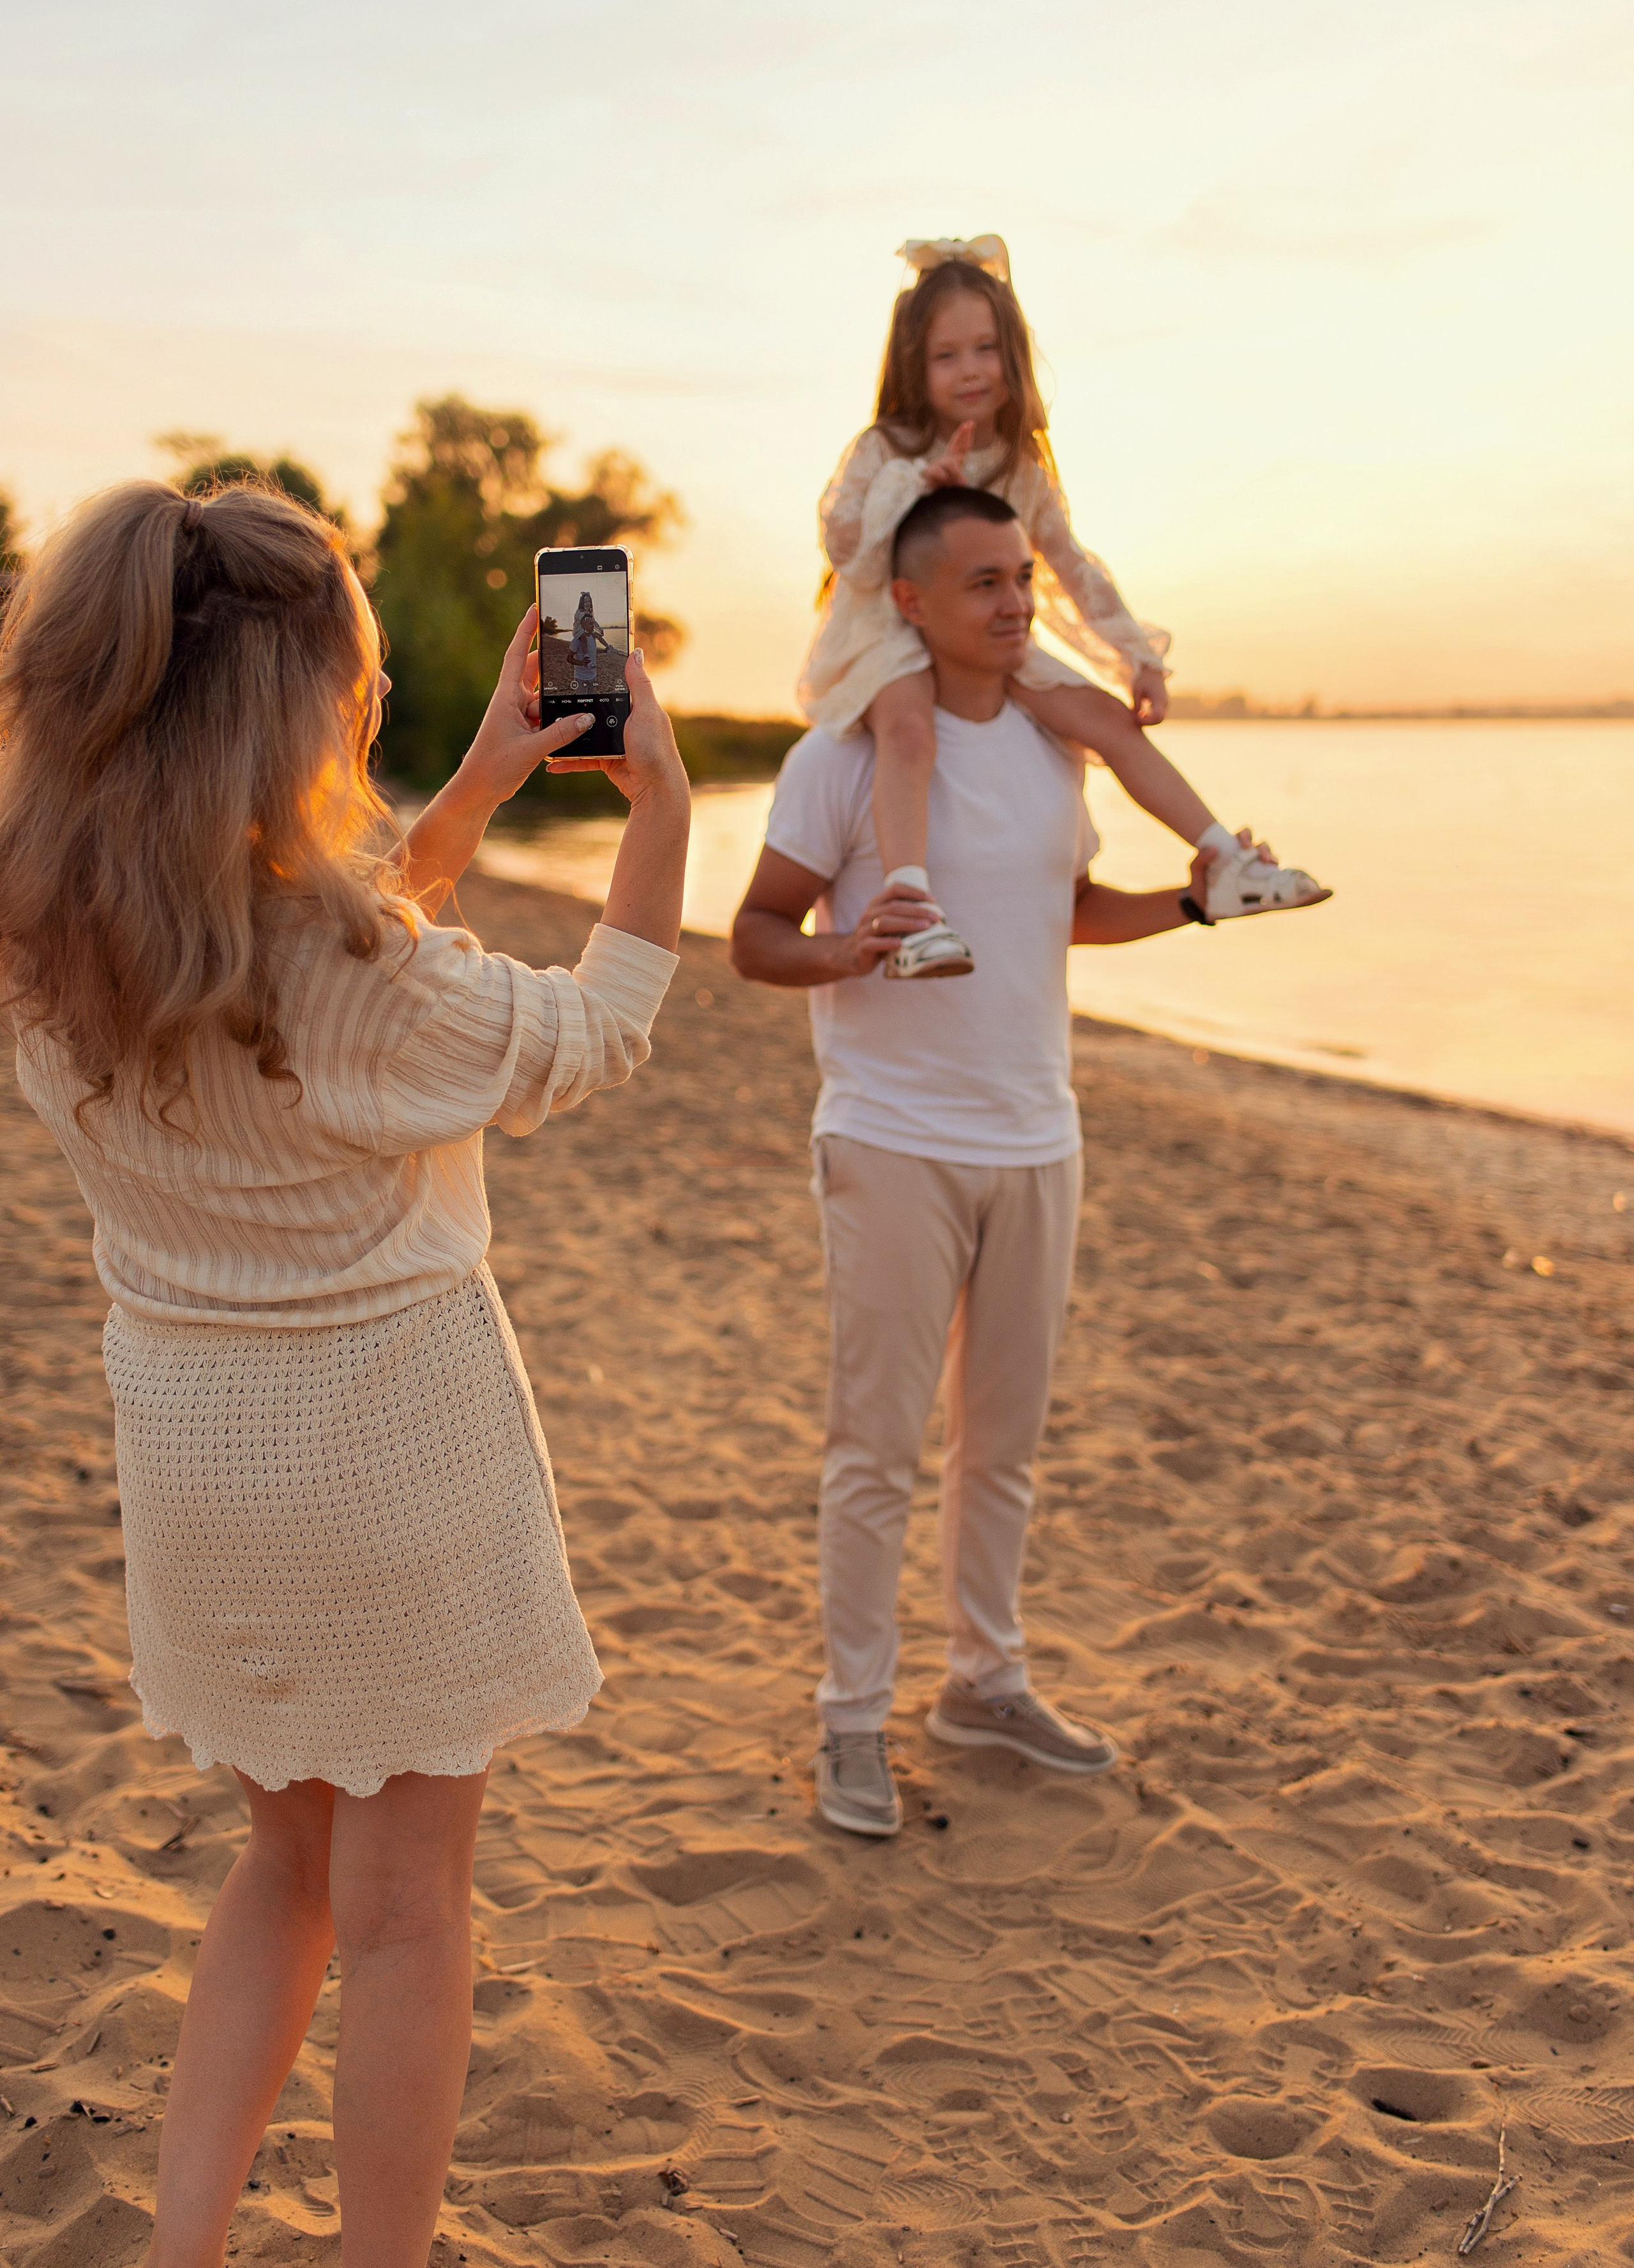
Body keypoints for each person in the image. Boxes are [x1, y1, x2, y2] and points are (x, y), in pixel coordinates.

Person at [0, 479, 691, 2265]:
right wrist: (664, 810)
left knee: (284, 1872)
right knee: (404, 1913)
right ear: (292, 705)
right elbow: (592, 1032)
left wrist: (470, 796)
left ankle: (183, 2248)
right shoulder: (353, 964)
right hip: (387, 1456)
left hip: (198, 1462)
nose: (371, 695)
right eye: (354, 668)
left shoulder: (55, 936)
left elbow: (302, 993)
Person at [734, 481, 1253, 1838]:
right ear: (909, 603)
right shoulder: (847, 753)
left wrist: (1190, 904)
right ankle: (853, 1720)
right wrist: (842, 952)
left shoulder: (1051, 747)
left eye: (1023, 577)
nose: (1018, 602)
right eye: (986, 583)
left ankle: (985, 1683)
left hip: (1039, 1135)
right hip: (892, 1138)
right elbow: (752, 935)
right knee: (875, 1451)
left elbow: (1063, 910)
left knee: (1002, 1447)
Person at [797, 234, 1329, 977]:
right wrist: (915, 483)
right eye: (946, 355)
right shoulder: (885, 446)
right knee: (908, 731)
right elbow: (844, 544)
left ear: (1012, 354)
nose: (970, 369)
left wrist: (1136, 656)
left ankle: (1226, 858)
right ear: (914, 366)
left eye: (985, 348)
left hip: (990, 636)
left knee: (1106, 719)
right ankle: (913, 909)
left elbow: (1070, 567)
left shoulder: (1020, 466)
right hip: (893, 631)